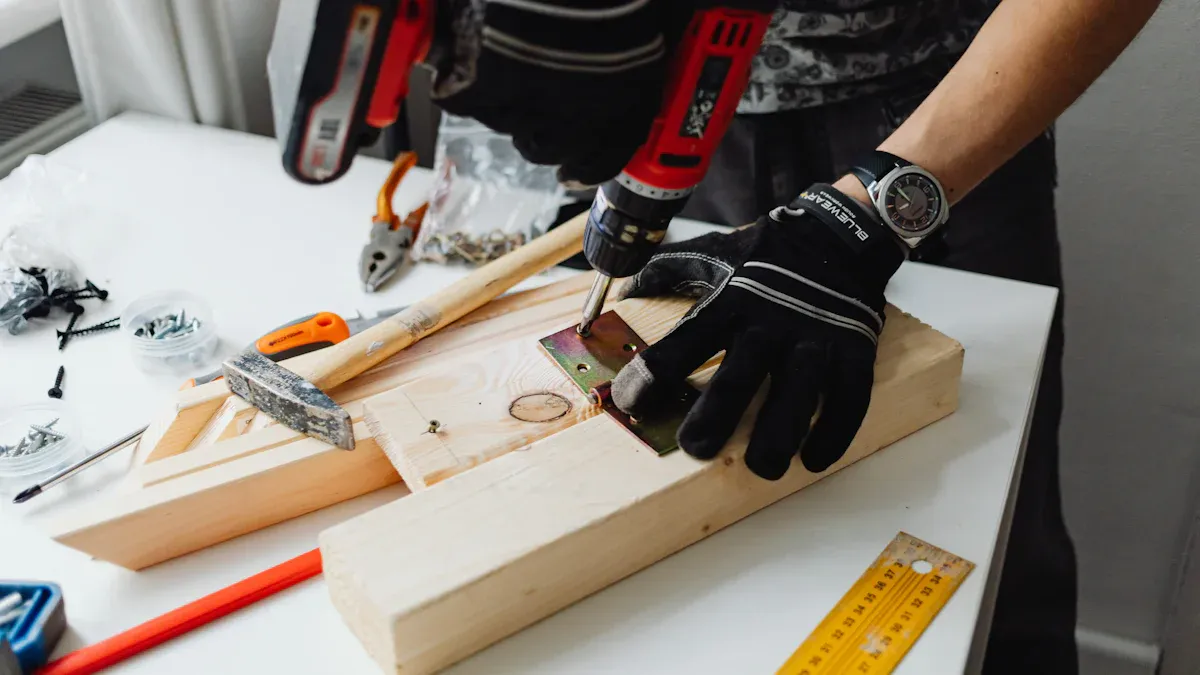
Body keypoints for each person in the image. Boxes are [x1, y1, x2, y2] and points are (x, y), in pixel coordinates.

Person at [423, 1, 1163, 672]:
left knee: (984, 537)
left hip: (950, 109)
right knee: (725, 539)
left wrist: (863, 217)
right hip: (702, 116)